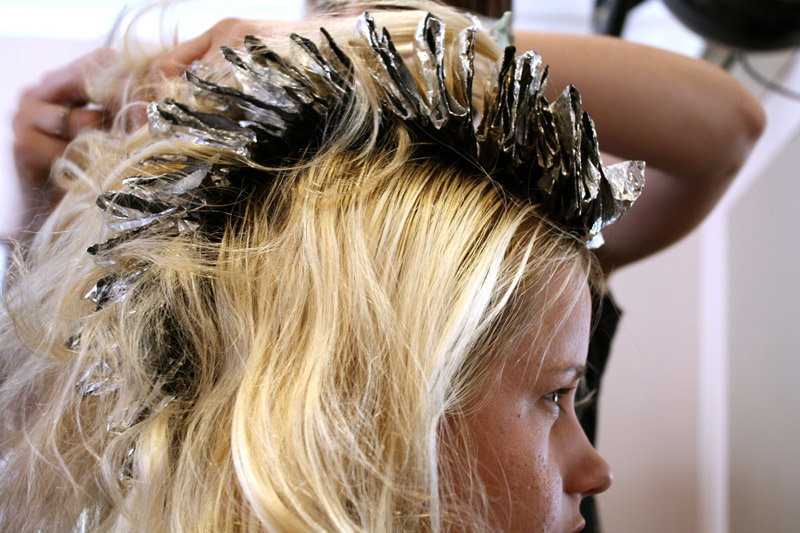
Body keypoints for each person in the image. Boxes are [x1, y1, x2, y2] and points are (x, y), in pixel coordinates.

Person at [2, 1, 764, 532]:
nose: (597, 469)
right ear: (362, 401)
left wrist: (366, 45)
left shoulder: (523, 257)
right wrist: (51, 218)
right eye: (554, 394)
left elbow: (728, 125)